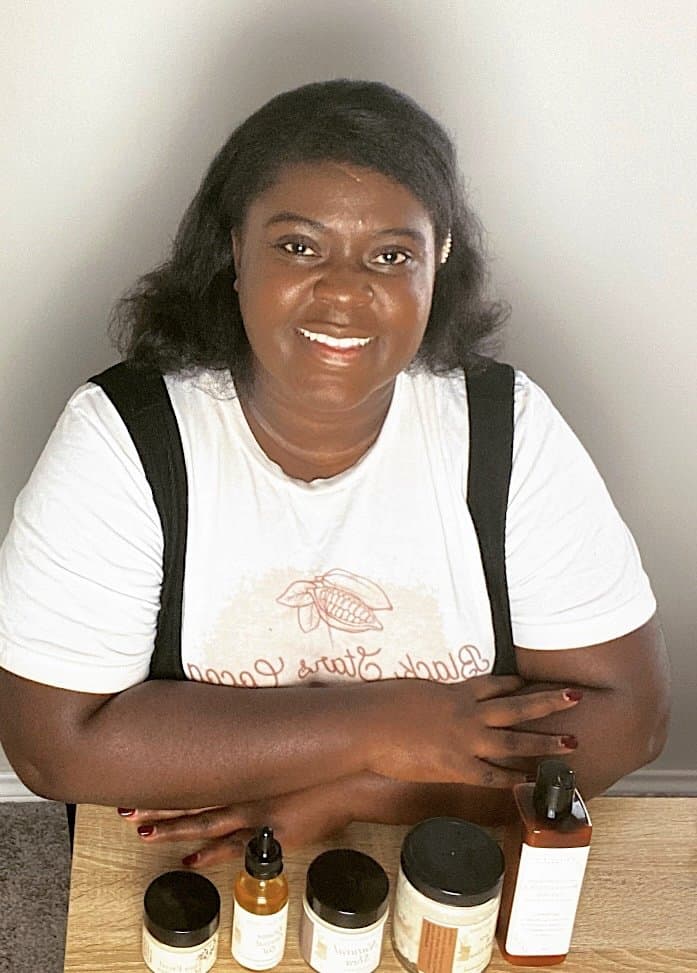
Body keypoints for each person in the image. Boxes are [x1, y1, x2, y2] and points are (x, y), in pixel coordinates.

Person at [0, 80, 669, 867]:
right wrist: (389, 723)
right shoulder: (126, 434)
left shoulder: (504, 426)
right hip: (192, 853)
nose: (345, 290)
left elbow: (629, 719)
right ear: (234, 250)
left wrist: (357, 794)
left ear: (438, 261)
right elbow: (53, 747)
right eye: (298, 246)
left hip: (442, 842)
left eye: (390, 255)